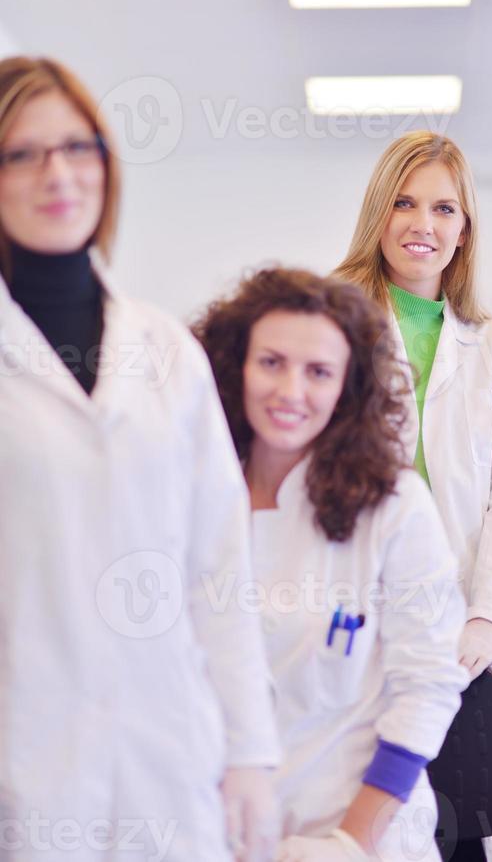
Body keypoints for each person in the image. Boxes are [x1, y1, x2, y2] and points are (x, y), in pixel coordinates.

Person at [0, 56, 280, 862]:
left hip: (170, 750)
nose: (58, 173)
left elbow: (218, 568)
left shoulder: (166, 351)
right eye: (23, 153)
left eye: (78, 147)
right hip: (28, 755)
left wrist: (251, 754)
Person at [334, 131, 492, 862]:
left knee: (481, 826)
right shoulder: (334, 329)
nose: (423, 224)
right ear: (379, 214)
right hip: (378, 618)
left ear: (465, 229)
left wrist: (491, 618)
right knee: (385, 819)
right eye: (405, 203)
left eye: (445, 208)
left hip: (484, 627)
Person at [193, 268, 469, 862]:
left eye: (318, 372)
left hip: (355, 830)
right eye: (271, 362)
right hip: (214, 828)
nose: (290, 391)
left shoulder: (393, 508)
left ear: (348, 387)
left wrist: (350, 843)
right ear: (234, 364)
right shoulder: (192, 498)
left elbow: (427, 686)